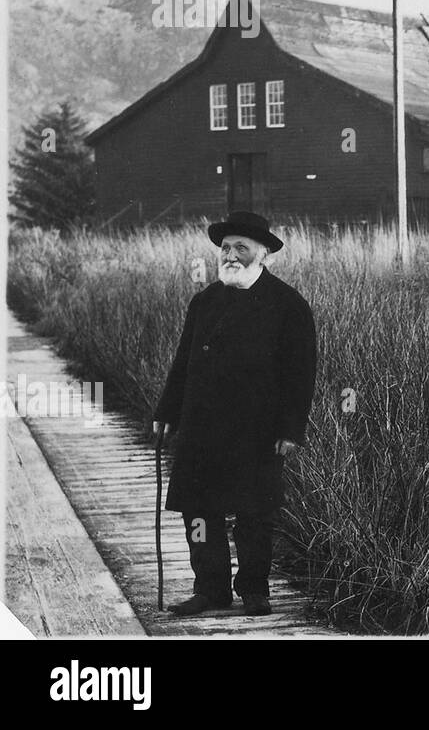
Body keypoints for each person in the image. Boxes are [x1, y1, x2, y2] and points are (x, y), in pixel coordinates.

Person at [152, 211, 317, 617]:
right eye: (226, 248)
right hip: (202, 427)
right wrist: (167, 410)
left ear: (264, 255)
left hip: (256, 430)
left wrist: (291, 428)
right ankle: (210, 589)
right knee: (199, 510)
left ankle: (254, 590)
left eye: (241, 247)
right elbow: (183, 362)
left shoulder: (288, 305)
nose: (230, 255)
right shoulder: (205, 302)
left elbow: (301, 374)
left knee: (254, 513)